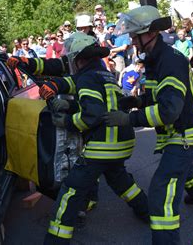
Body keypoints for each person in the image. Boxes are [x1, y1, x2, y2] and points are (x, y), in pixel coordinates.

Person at [103, 5, 193, 244]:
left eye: (135, 35)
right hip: (178, 132)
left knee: (161, 192)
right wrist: (138, 100)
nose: (132, 40)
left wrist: (129, 119)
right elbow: (160, 96)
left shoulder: (169, 61)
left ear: (150, 33)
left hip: (184, 135)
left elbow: (169, 111)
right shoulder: (156, 58)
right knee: (182, 168)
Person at [37, 32, 148, 244]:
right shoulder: (102, 73)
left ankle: (56, 240)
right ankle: (145, 210)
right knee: (121, 181)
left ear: (79, 59)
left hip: (103, 146)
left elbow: (93, 115)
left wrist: (67, 122)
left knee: (70, 191)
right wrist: (69, 105)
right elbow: (98, 105)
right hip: (122, 141)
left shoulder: (87, 78)